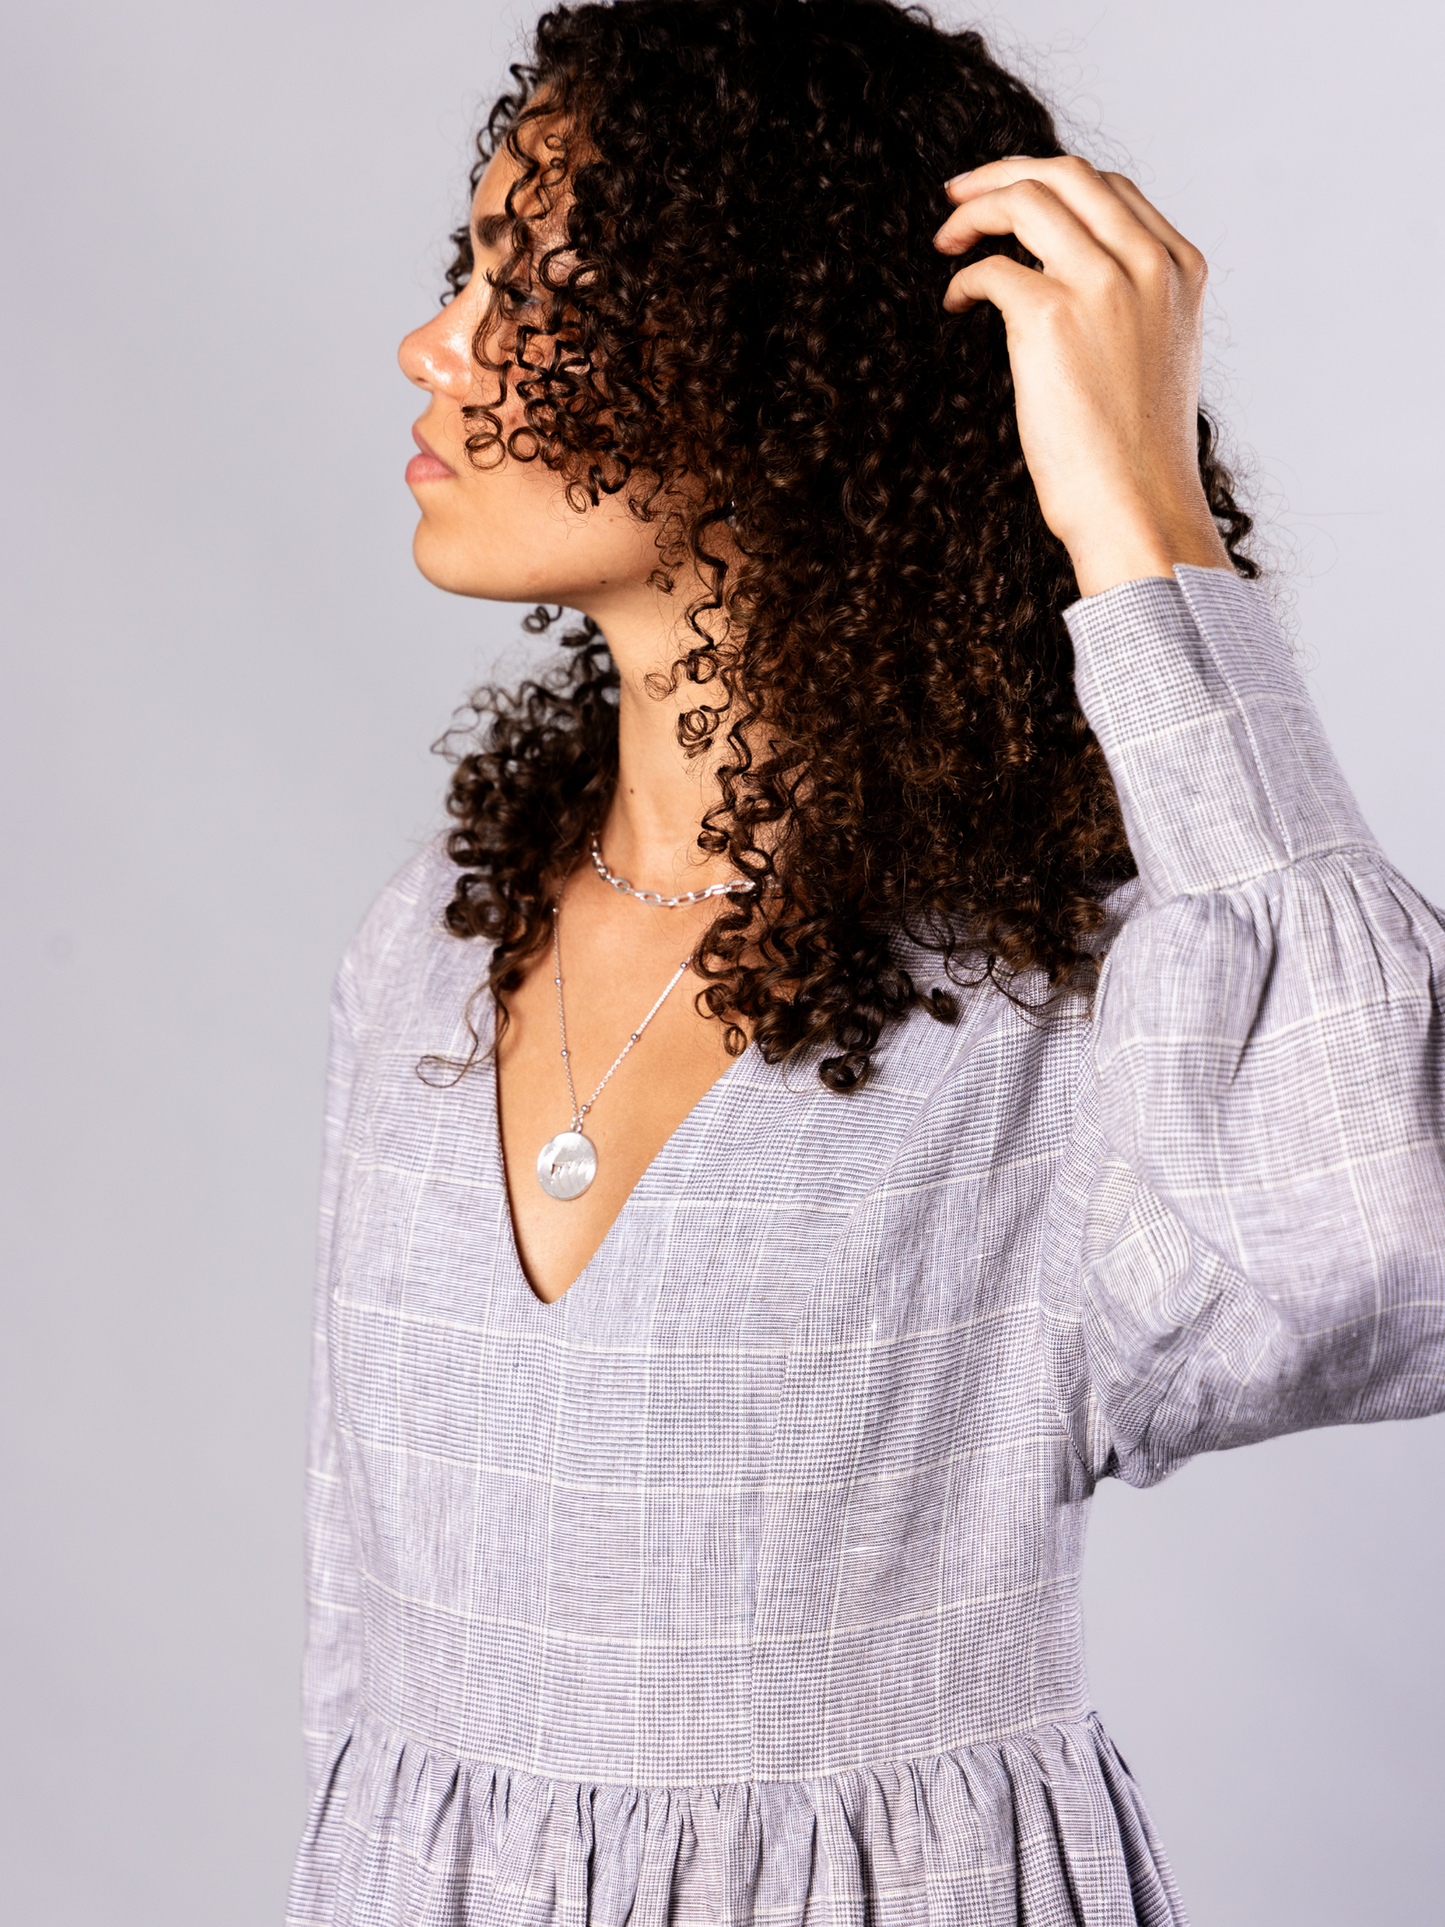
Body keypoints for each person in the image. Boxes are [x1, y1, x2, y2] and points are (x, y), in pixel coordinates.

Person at [285, 2, 1445, 1922]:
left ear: (776, 370)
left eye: (530, 284)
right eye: (457, 273)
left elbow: (1394, 1210)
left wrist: (1135, 521)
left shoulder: (1051, 990)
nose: (439, 348)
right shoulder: (423, 950)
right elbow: (366, 1698)